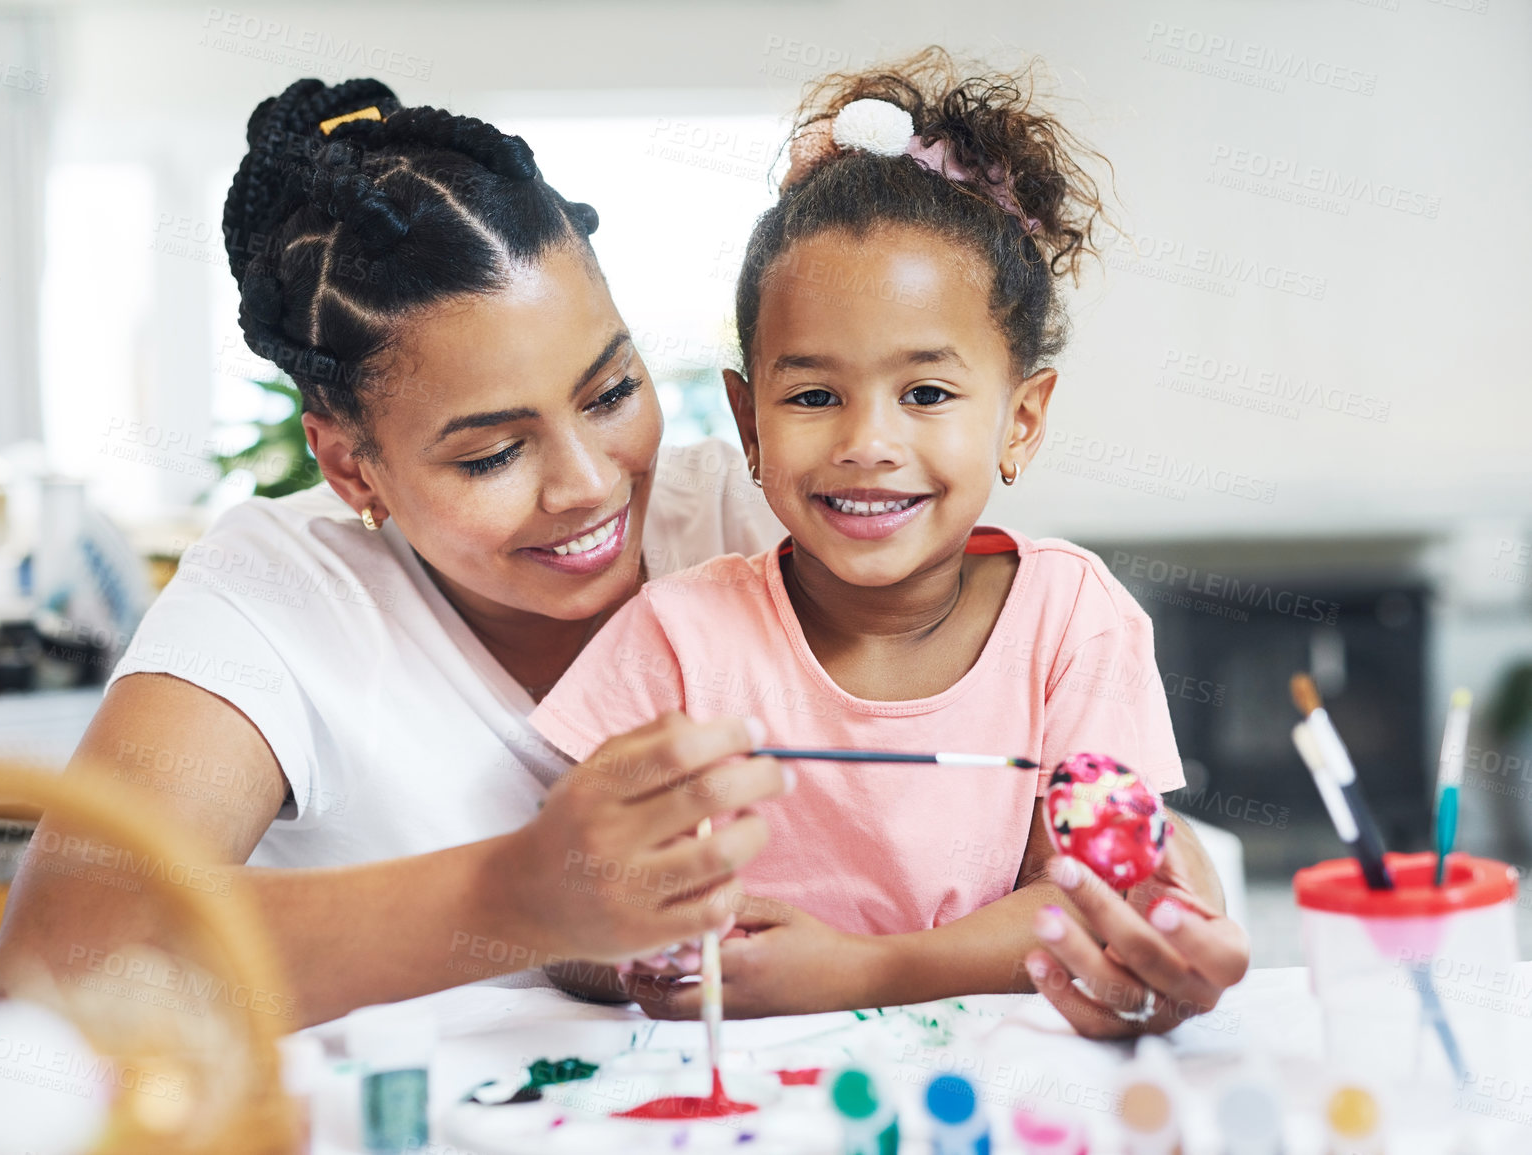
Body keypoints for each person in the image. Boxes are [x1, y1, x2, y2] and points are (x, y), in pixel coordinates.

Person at [0, 77, 791, 1028]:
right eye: (492, 452)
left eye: (611, 392)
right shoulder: (276, 594)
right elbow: (62, 960)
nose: (587, 482)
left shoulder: (762, 517)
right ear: (349, 465)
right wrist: (511, 897)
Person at [532, 50, 1249, 1034]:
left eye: (927, 394)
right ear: (749, 421)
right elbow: (555, 912)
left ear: (1021, 420)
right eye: (815, 396)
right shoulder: (677, 633)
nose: (868, 444)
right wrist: (627, 940)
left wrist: (854, 971)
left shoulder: (1071, 619)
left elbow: (1089, 898)